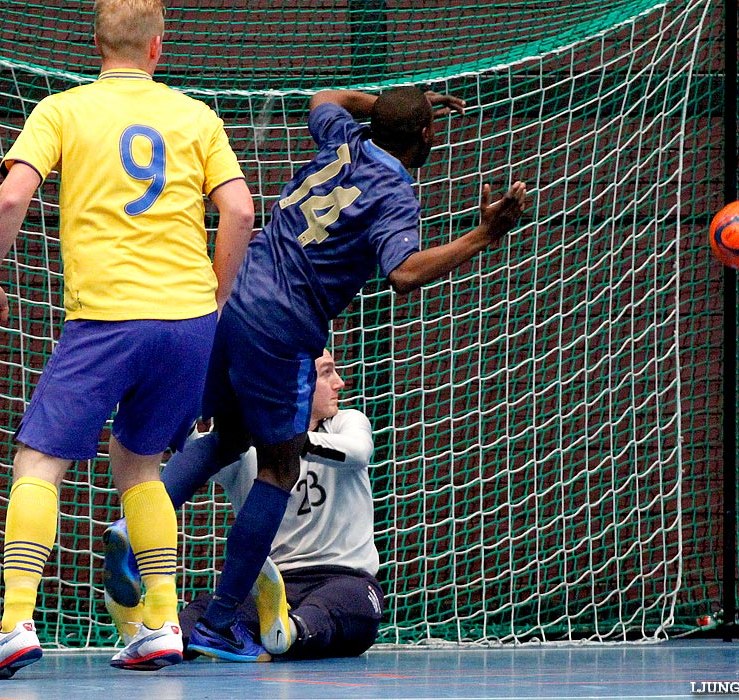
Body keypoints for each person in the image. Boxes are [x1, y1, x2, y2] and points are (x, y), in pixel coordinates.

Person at [105, 85, 527, 661]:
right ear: (428, 137)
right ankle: (220, 620)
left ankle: (137, 529)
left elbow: (324, 96)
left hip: (232, 296)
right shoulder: (396, 193)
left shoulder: (344, 138)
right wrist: (484, 235)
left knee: (229, 435)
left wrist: (380, 104)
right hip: (282, 325)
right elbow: (403, 274)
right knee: (282, 464)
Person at [0, 0, 255, 679]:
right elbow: (240, 210)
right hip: (186, 324)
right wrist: (213, 301)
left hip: (106, 318)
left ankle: (14, 621)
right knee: (140, 466)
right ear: (159, 48)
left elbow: (11, 199)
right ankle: (160, 622)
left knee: (40, 460)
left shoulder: (63, 110)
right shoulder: (196, 116)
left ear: (95, 45)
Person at [105, 349, 384, 659]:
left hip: (343, 577)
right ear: (297, 384)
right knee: (206, 611)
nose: (340, 383)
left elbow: (359, 452)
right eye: (327, 373)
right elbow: (198, 459)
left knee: (355, 605)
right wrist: (188, 425)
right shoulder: (245, 445)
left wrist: (286, 440)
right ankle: (150, 631)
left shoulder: (347, 421)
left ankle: (286, 631)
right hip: (273, 585)